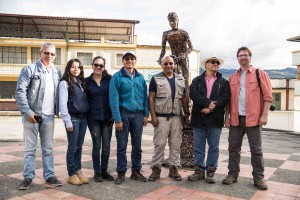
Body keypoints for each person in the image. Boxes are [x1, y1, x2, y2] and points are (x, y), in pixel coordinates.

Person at [223, 47, 272, 190]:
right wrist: (227, 117)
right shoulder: (232, 77)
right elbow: (228, 100)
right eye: (240, 55)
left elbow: (268, 97)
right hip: (235, 119)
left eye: (245, 55)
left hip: (254, 119)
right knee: (233, 149)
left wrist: (265, 114)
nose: (243, 57)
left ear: (250, 57)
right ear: (237, 58)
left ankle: (258, 178)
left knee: (256, 150)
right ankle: (232, 174)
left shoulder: (260, 74)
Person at [15, 43, 62, 190]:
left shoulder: (57, 72)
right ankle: (28, 177)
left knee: (48, 148)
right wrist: (28, 112)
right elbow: (20, 92)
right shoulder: (29, 69)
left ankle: (49, 176)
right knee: (30, 149)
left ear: (55, 56)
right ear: (40, 53)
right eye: (46, 53)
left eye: (52, 54)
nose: (49, 56)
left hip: (49, 116)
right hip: (32, 115)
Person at [109, 50, 149, 185]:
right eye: (126, 59)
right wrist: (117, 119)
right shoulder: (117, 77)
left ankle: (136, 171)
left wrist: (146, 114)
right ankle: (121, 173)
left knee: (137, 146)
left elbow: (145, 97)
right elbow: (113, 100)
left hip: (138, 115)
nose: (129, 61)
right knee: (121, 146)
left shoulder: (140, 77)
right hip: (123, 114)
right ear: (123, 61)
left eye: (132, 59)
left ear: (135, 61)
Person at [188, 57, 230, 184]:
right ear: (206, 65)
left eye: (217, 63)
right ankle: (199, 171)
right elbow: (193, 94)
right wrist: (207, 104)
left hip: (215, 119)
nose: (215, 64)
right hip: (199, 117)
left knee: (214, 147)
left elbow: (225, 97)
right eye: (213, 62)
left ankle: (211, 171)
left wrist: (211, 107)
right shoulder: (197, 80)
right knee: (199, 147)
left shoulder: (223, 82)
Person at [148, 55, 189, 182]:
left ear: (174, 64)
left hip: (176, 117)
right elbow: (151, 98)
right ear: (161, 65)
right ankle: (156, 169)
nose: (168, 66)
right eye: (165, 64)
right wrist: (153, 117)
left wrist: (187, 113)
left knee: (175, 144)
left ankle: (174, 169)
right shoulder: (156, 78)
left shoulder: (181, 79)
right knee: (159, 144)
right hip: (161, 118)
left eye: (170, 63)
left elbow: (184, 98)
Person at [59, 59, 89, 185]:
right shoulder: (64, 83)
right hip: (73, 119)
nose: (76, 69)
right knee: (73, 147)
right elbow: (62, 104)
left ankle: (78, 171)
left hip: (83, 119)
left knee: (80, 147)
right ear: (68, 69)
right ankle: (71, 174)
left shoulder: (82, 82)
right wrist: (67, 121)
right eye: (73, 67)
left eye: (78, 67)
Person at [86, 56, 114, 182]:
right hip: (93, 118)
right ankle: (97, 172)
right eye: (96, 65)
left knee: (107, 146)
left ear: (104, 67)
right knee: (97, 145)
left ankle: (104, 171)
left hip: (108, 118)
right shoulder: (86, 81)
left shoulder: (110, 80)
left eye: (101, 65)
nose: (98, 67)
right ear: (92, 65)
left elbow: (115, 97)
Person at [157, 12, 193, 96]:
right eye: (170, 21)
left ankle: (187, 99)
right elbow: (163, 50)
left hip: (184, 58)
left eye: (174, 20)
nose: (173, 23)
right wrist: (160, 59)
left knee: (185, 78)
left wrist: (185, 54)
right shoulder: (166, 34)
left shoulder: (184, 33)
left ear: (178, 20)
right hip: (173, 59)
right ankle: (175, 97)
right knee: (173, 78)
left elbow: (191, 47)